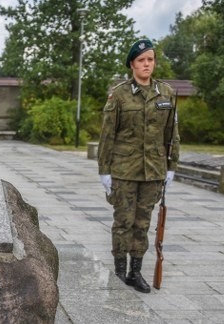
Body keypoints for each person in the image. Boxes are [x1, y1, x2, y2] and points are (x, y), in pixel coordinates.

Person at [97, 38, 179, 293]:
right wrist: (104, 170)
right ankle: (120, 269)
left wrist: (172, 165)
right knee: (123, 221)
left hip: (153, 170)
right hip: (123, 170)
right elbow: (107, 134)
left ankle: (136, 271)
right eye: (141, 60)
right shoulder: (119, 94)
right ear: (132, 64)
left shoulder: (166, 93)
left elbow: (171, 132)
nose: (147, 64)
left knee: (143, 222)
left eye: (150, 60)